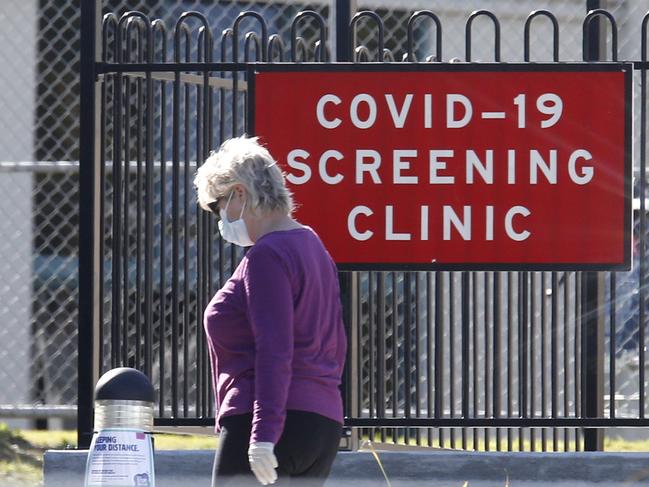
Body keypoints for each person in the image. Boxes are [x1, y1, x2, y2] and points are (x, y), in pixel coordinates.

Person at [193, 135, 347, 486]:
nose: (220, 219)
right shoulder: (313, 246)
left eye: (218, 206)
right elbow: (336, 343)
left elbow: (274, 348)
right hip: (320, 424)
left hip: (269, 421)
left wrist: (263, 435)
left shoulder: (266, 255)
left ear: (239, 193)